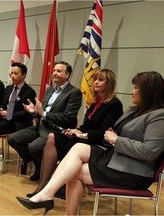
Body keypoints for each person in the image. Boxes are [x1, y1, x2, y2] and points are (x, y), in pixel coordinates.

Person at [16, 71, 164, 215]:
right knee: (78, 148)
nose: (132, 91)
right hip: (118, 159)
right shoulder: (135, 110)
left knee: (74, 171)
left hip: (133, 172)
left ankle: (47, 195)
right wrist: (114, 134)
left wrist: (116, 139)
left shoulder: (159, 116)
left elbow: (149, 151)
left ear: (148, 91)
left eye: (136, 88)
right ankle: (47, 194)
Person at [26, 69, 123, 197]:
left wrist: (83, 135)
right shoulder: (95, 103)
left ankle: (48, 188)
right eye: (95, 80)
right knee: (52, 137)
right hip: (85, 139)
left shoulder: (114, 104)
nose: (96, 83)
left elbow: (104, 132)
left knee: (54, 140)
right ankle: (44, 186)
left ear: (109, 83)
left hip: (98, 144)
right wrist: (75, 131)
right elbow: (86, 126)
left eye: (100, 80)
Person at [8, 61, 82, 181]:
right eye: (54, 71)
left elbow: (68, 117)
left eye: (58, 71)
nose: (54, 73)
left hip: (55, 131)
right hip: (40, 127)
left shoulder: (74, 92)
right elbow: (41, 112)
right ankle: (38, 165)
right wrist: (34, 112)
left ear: (67, 75)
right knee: (13, 139)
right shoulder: (49, 90)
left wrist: (44, 114)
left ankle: (45, 172)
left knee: (34, 147)